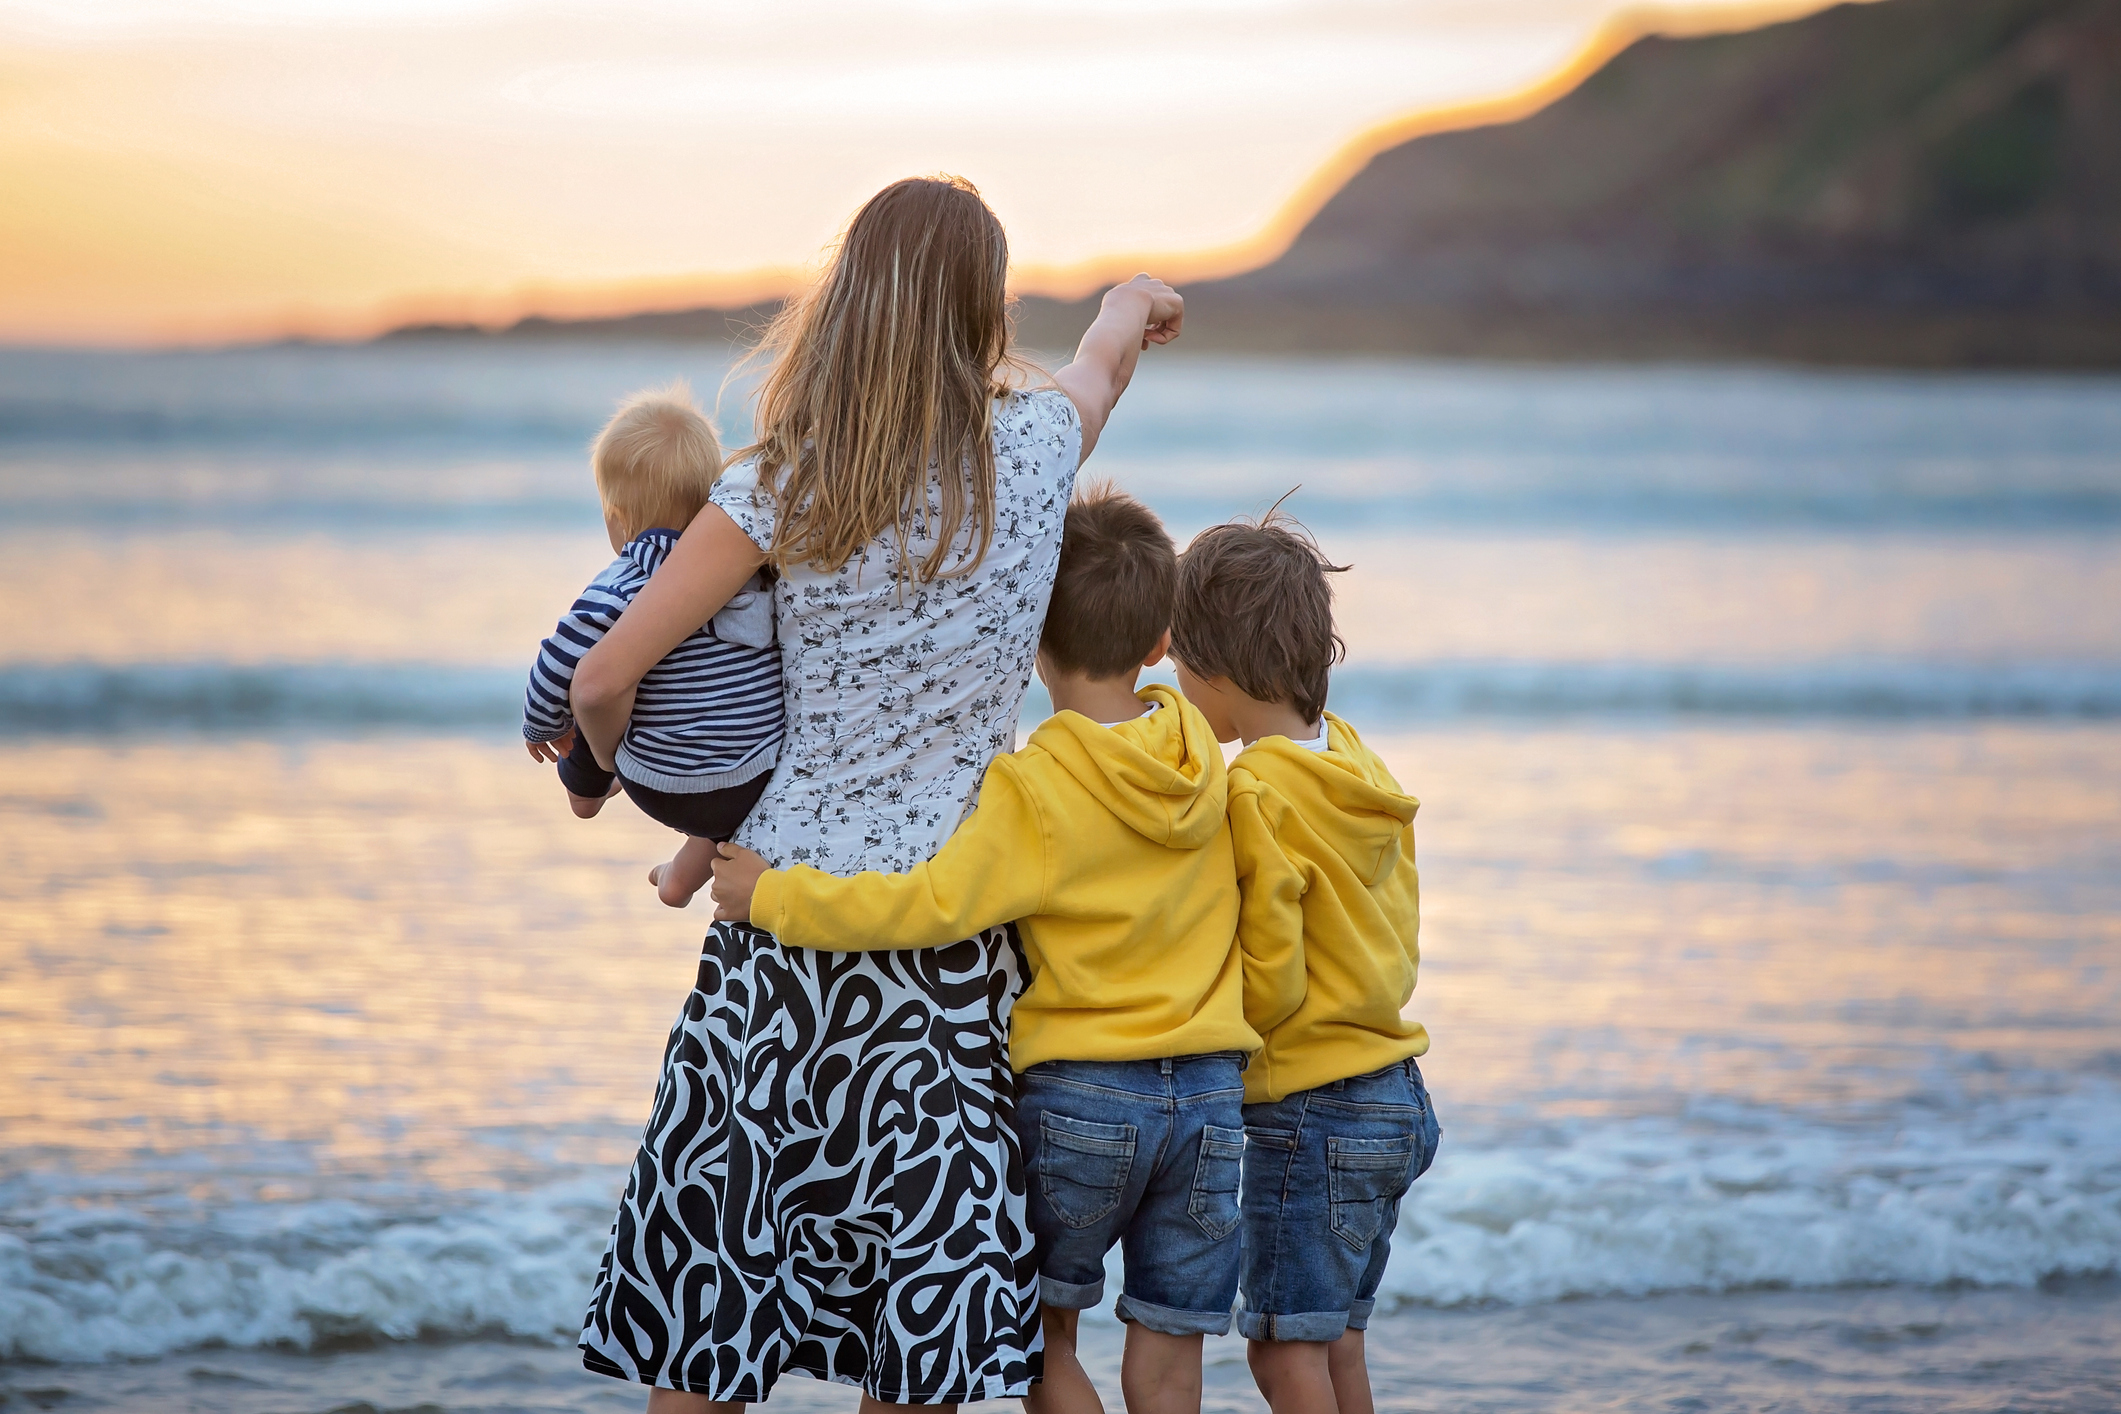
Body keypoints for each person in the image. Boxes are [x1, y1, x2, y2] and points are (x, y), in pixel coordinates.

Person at [564, 176, 1183, 1413]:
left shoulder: (783, 481)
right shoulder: (1041, 442)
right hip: (945, 937)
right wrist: (1131, 303)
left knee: (712, 1298)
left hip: (773, 927)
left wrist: (611, 783)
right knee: (923, 1328)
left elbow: (602, 676)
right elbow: (1104, 364)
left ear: (847, 300)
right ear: (980, 310)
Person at [710, 485, 1258, 1414]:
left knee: (1039, 1345)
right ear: (1161, 642)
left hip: (1088, 1094)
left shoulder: (1034, 788)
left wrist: (772, 895)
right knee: (1169, 1358)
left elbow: (926, 907)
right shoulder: (1198, 754)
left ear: (1025, 626)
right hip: (1209, 1099)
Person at [1168, 514, 1441, 1414]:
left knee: (1284, 1356)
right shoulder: (1354, 759)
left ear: (1214, 671)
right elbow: (1395, 922)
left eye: (1176, 666)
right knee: (1339, 1345)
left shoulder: (1255, 791)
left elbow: (1275, 983)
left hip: (1313, 1114)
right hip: (1394, 1093)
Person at [521, 383, 781, 907]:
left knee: (595, 695)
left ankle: (586, 794)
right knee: (719, 772)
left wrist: (541, 724)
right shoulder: (743, 569)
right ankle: (681, 879)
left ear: (617, 518)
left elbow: (561, 657)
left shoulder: (624, 582)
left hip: (663, 782)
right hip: (757, 772)